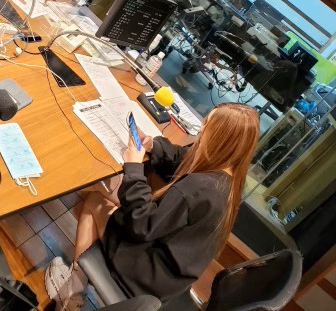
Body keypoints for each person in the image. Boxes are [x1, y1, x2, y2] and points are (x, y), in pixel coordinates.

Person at [45, 103, 260, 310]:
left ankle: (73, 292)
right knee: (115, 187)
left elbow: (141, 224)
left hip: (146, 275)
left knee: (94, 200)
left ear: (221, 139)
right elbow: (183, 158)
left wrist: (134, 166)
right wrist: (152, 145)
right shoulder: (228, 182)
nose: (201, 131)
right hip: (170, 277)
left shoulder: (198, 188)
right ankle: (78, 281)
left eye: (207, 127)